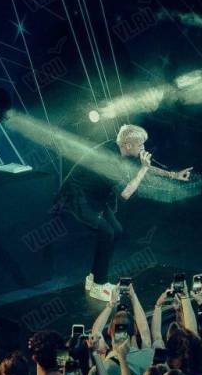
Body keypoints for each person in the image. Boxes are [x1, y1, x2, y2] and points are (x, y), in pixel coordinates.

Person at [50, 124, 193, 300]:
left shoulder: (120, 149)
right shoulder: (109, 162)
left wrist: (173, 175)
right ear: (128, 145)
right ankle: (98, 285)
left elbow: (144, 165)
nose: (143, 148)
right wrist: (143, 169)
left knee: (115, 230)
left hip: (96, 194)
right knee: (107, 231)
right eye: (140, 145)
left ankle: (93, 277)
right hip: (78, 196)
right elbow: (126, 193)